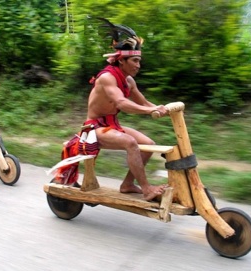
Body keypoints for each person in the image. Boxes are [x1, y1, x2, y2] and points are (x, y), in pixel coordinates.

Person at [55, 19, 169, 201]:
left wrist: (161, 109)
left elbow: (144, 102)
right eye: (135, 60)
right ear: (121, 60)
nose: (138, 65)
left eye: (139, 61)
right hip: (94, 129)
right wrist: (149, 111)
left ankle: (127, 185)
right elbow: (122, 103)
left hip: (112, 126)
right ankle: (147, 189)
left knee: (149, 144)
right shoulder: (107, 77)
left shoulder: (129, 81)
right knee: (131, 143)